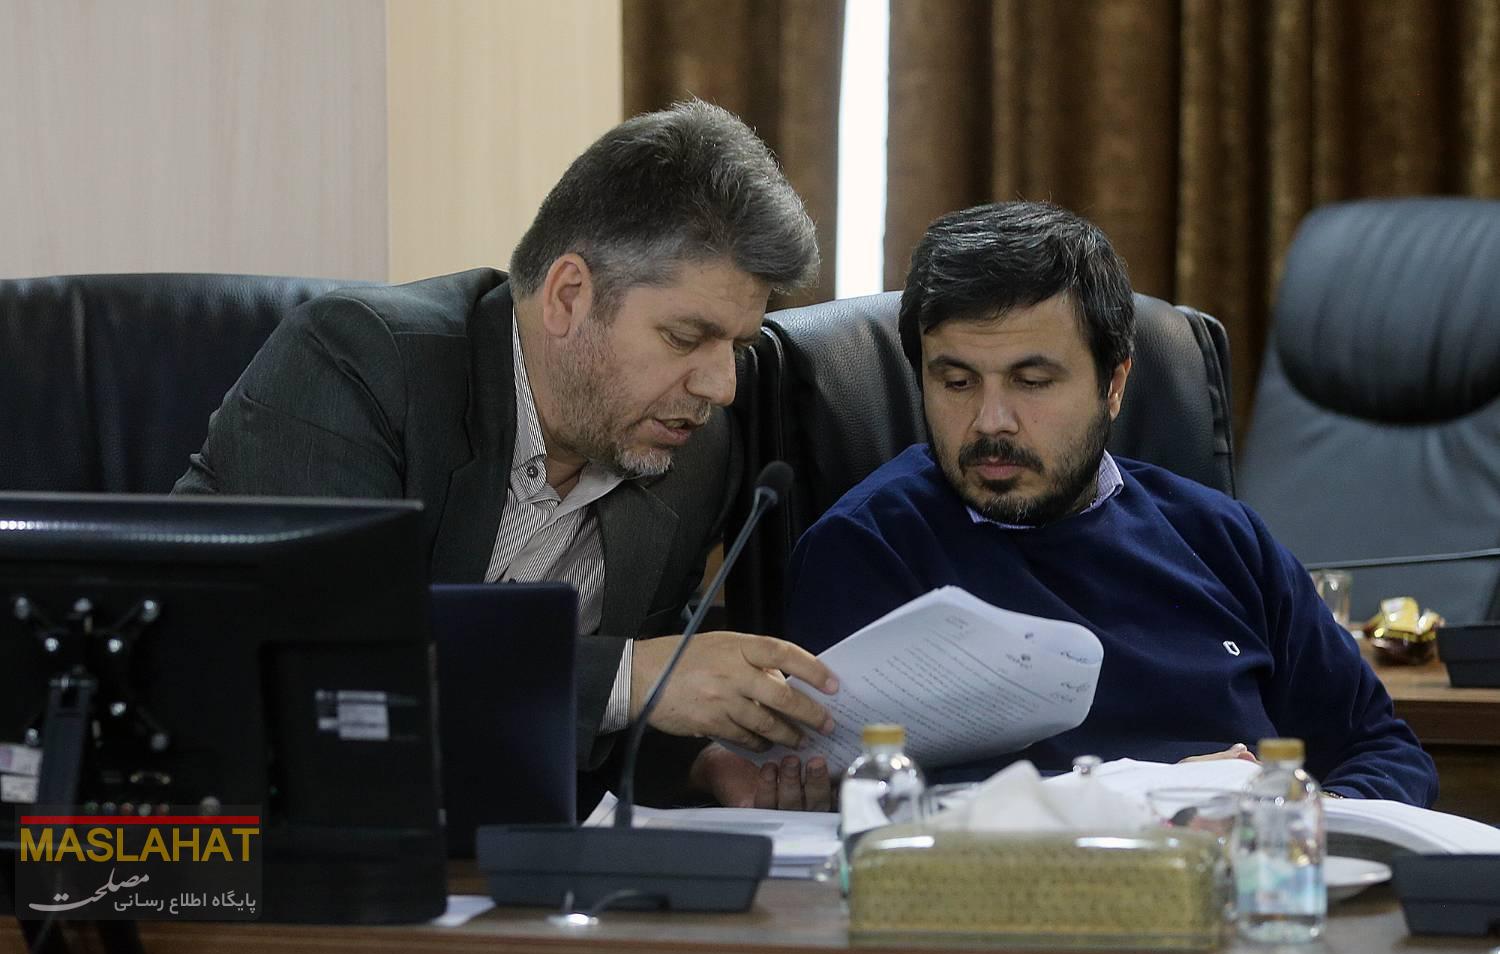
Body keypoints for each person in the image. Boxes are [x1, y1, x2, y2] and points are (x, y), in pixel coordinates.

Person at [175, 100, 834, 810]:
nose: (721, 387)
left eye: (737, 346)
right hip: (229, 830)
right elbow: (331, 672)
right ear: (569, 296)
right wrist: (629, 677)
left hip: (494, 847)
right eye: (684, 338)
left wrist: (704, 765)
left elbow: (603, 725)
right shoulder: (360, 364)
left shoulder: (693, 454)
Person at [783, 201, 1437, 805]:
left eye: (1032, 382)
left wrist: (1298, 826)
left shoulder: (1222, 539)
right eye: (956, 382)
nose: (990, 421)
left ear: (1114, 384)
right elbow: (889, 803)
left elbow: (1381, 750)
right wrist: (1161, 801)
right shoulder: (868, 550)